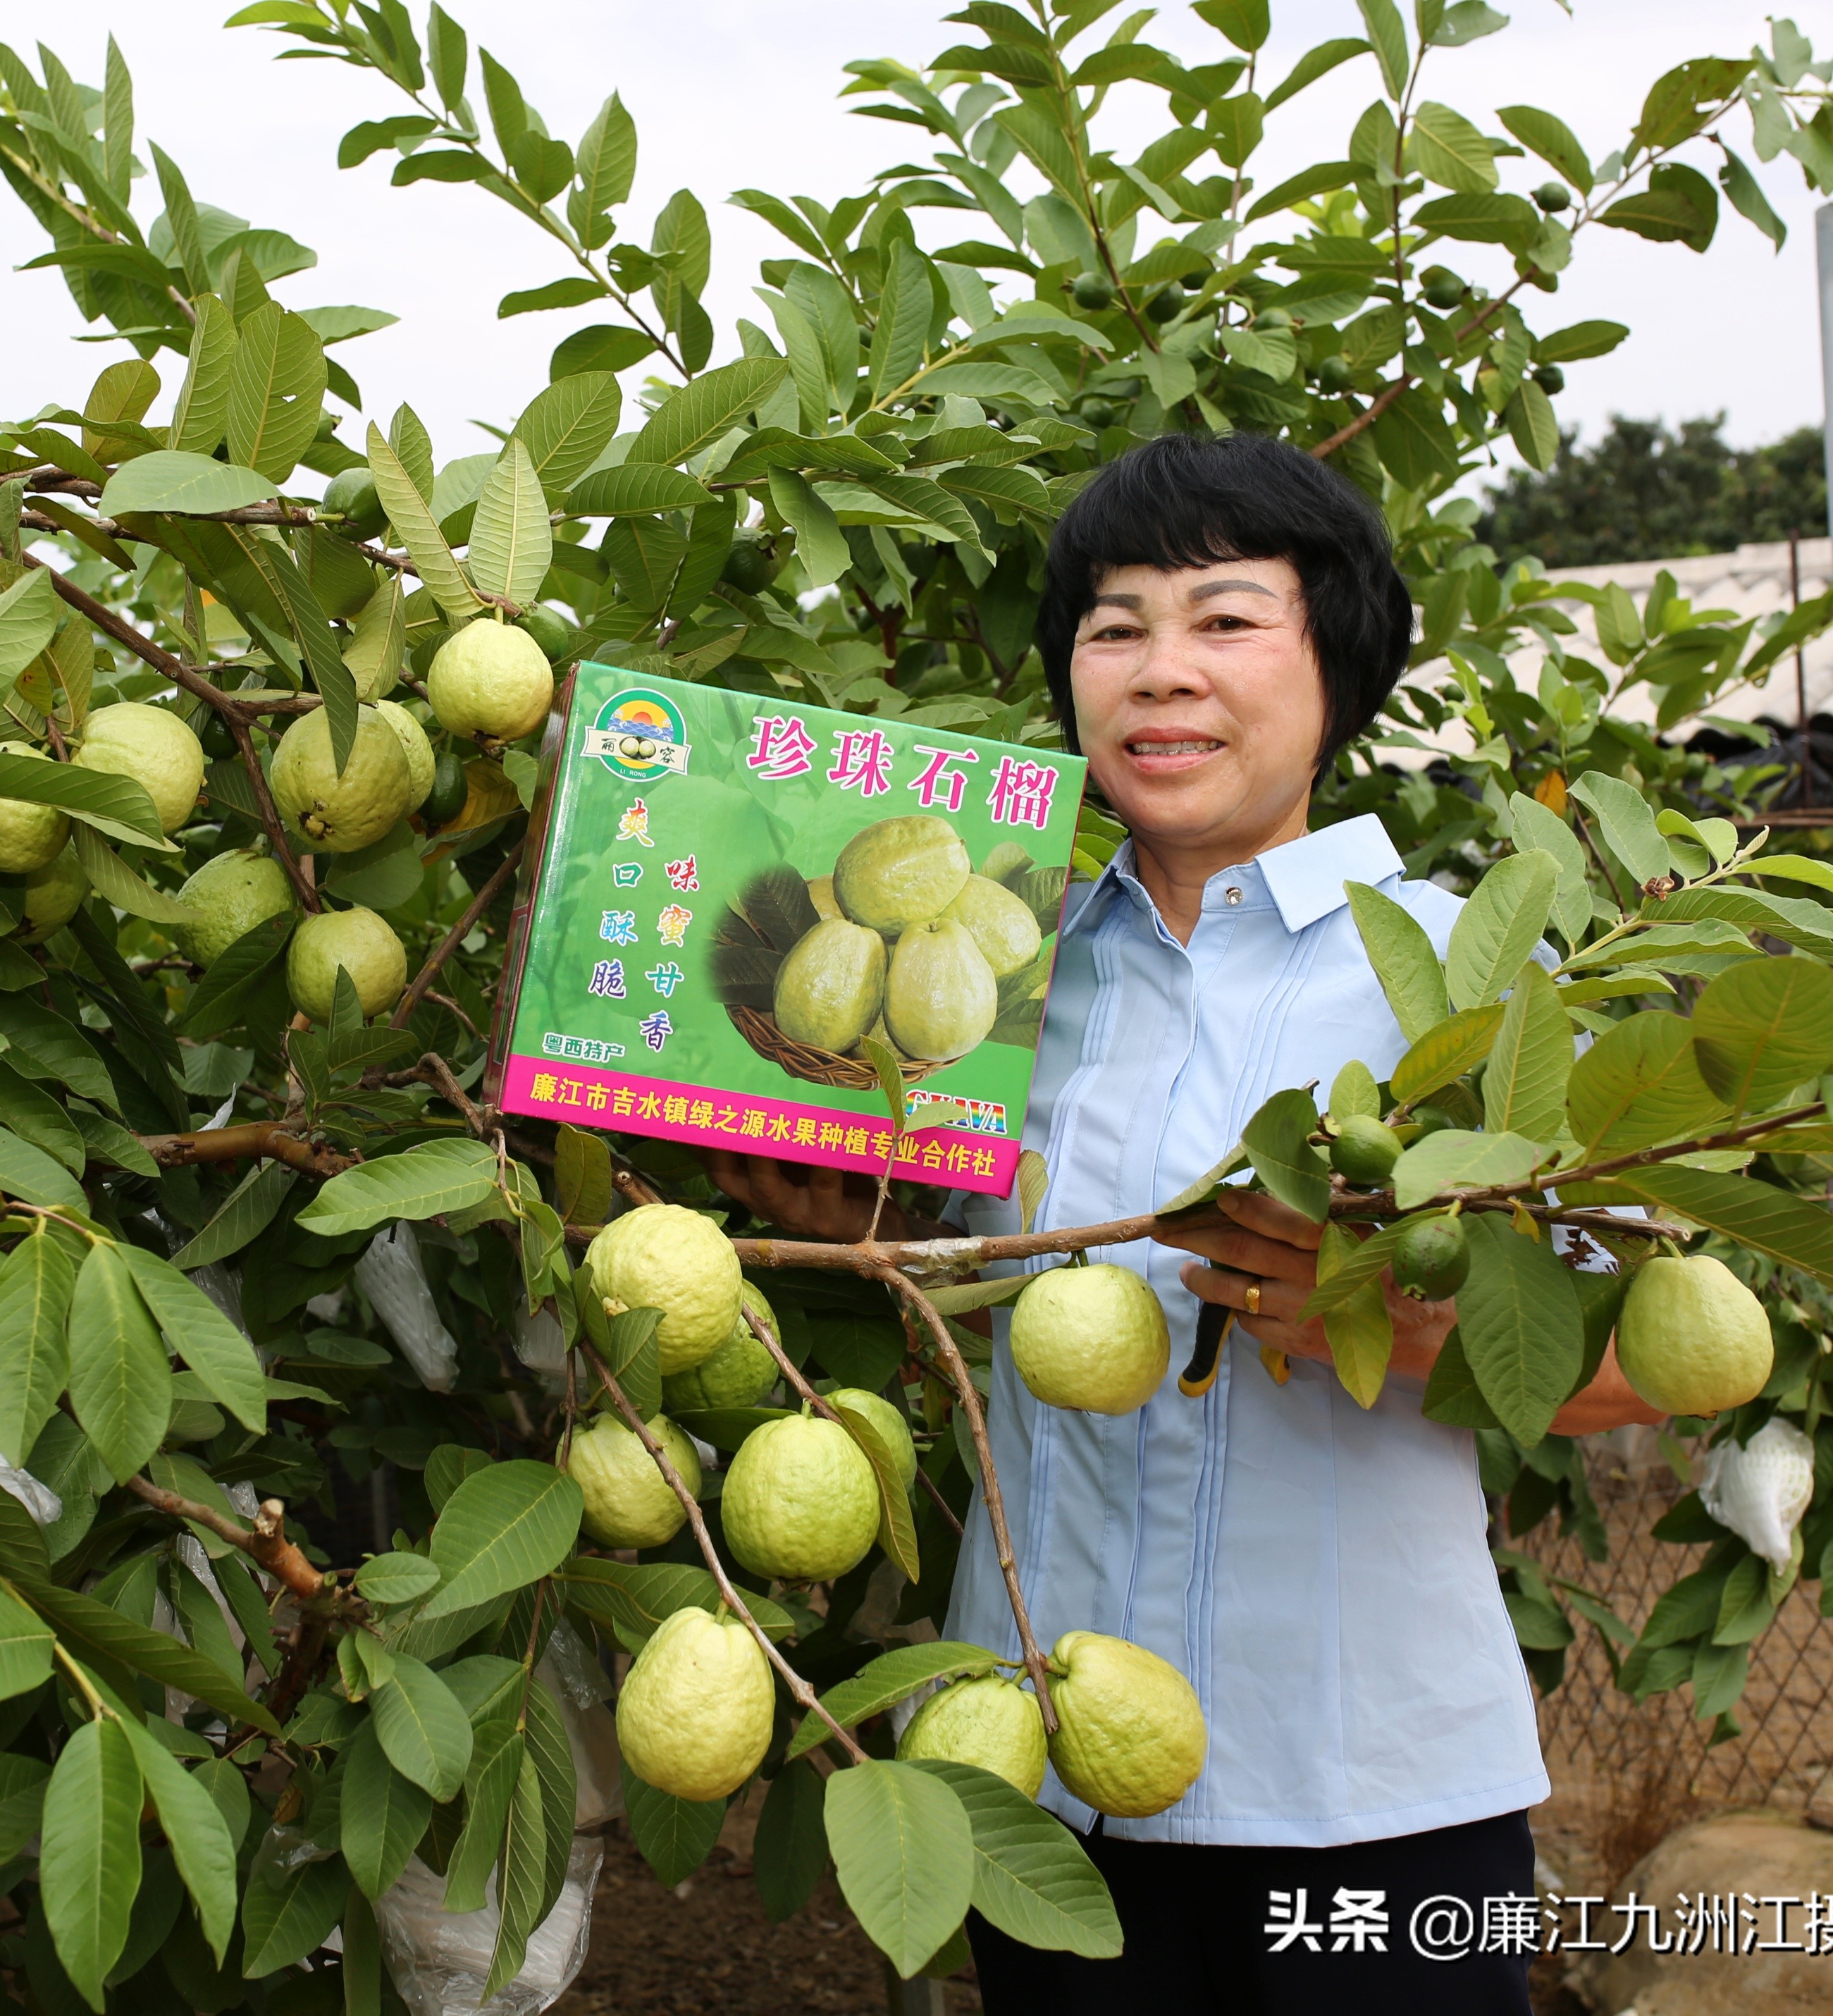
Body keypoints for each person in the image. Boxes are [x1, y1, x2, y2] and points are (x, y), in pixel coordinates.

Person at [705, 431, 1663, 2015]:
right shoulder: (997, 977)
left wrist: (1407, 1321)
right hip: (1049, 1781)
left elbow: (1639, 1355)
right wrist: (838, 1196)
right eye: (1114, 625)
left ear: (1335, 663)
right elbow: (936, 1253)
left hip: (1372, 1799)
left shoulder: (1454, 977)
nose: (1163, 673)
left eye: (1226, 621)